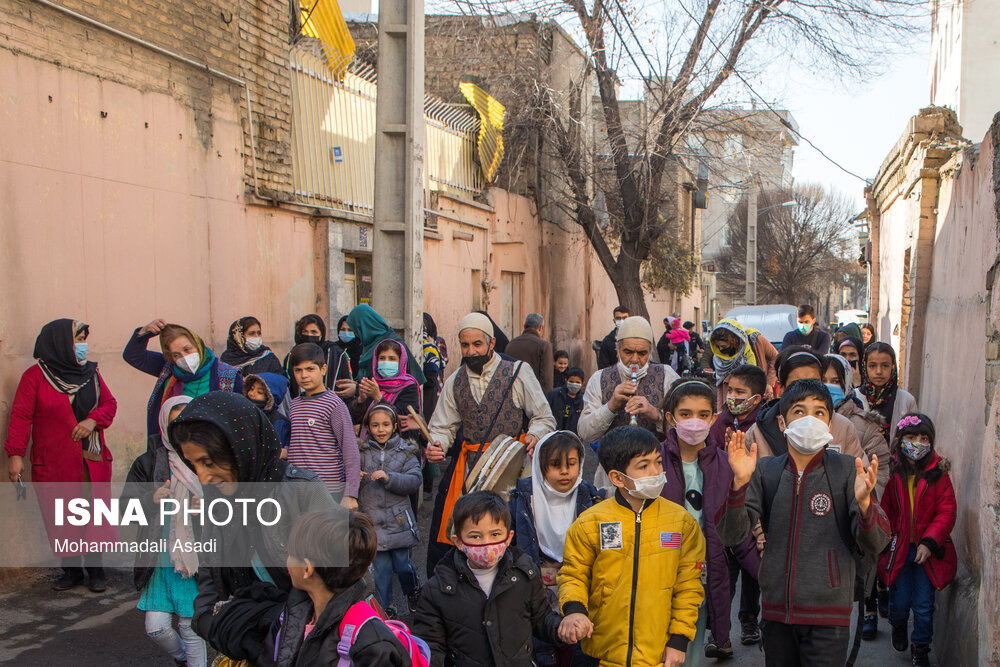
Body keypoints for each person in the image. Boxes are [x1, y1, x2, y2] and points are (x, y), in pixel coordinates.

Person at [719, 379, 890, 666]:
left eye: (819, 412)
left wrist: (864, 505)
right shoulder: (766, 471)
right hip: (776, 613)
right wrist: (738, 484)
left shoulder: (848, 471)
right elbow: (731, 534)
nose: (809, 419)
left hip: (829, 615)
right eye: (799, 411)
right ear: (782, 423)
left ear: (830, 424)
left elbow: (875, 542)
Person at [168, 391, 340, 651]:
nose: (203, 478)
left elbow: (346, 580)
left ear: (241, 447)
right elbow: (210, 579)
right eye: (194, 465)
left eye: (209, 462)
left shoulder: (303, 491)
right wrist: (215, 628)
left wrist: (290, 633)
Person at [558, 426, 706, 666]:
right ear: (617, 478)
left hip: (657, 654)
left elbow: (689, 586)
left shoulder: (681, 522)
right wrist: (575, 610)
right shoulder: (590, 522)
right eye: (644, 466)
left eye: (658, 462)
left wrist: (678, 641)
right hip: (601, 653)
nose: (656, 471)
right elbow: (573, 574)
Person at [424, 312, 555, 575]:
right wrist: (436, 444)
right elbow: (441, 425)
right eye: (465, 345)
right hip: (471, 474)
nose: (471, 351)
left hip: (514, 470)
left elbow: (544, 416)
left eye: (477, 345)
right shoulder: (454, 381)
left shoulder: (519, 372)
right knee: (469, 533)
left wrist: (535, 433)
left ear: (491, 343)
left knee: (513, 532)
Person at [6, 319, 118, 592]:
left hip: (90, 460)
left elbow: (109, 404)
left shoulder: (91, 374)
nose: (83, 345)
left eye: (83, 339)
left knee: (92, 514)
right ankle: (71, 570)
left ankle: (96, 570)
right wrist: (15, 454)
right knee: (62, 515)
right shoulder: (35, 377)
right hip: (54, 461)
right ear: (60, 343)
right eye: (78, 339)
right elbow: (21, 416)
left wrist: (93, 420)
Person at [660, 379, 761, 661]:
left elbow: (738, 533)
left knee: (688, 651)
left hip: (703, 575)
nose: (694, 422)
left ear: (713, 418)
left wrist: (767, 575)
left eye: (703, 415)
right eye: (685, 414)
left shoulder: (726, 465)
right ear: (671, 418)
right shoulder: (654, 462)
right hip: (660, 573)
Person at [413, 491, 567, 667]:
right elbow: (430, 646)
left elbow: (541, 618)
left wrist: (561, 629)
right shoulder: (438, 589)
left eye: (495, 534)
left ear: (508, 537)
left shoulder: (525, 573)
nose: (486, 544)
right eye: (475, 536)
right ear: (458, 541)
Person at [262, 511, 411, 667]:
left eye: (291, 554)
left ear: (307, 569)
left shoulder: (372, 644)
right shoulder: (293, 612)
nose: (287, 561)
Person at [507, 431, 605, 666]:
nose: (565, 472)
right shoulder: (522, 500)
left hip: (582, 596)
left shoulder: (591, 499)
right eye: (554, 465)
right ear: (540, 467)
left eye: (571, 464)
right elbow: (510, 548)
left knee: (579, 649)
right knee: (543, 649)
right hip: (535, 598)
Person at [124, 396, 207, 667]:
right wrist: (150, 499)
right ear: (164, 425)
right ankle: (184, 659)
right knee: (156, 628)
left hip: (194, 557)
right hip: (158, 559)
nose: (181, 431)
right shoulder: (147, 463)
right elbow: (125, 510)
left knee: (189, 627)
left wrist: (206, 506)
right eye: (175, 424)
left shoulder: (209, 460)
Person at [878, 414, 957, 667]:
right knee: (899, 602)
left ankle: (920, 647)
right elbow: (885, 511)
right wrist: (884, 540)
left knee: (924, 605)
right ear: (900, 440)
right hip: (899, 549)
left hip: (928, 552)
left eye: (924, 438)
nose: (918, 443)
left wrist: (930, 542)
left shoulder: (939, 475)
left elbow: (947, 511)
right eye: (911, 437)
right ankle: (898, 624)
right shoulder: (892, 476)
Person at [706, 364, 767, 646]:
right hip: (724, 507)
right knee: (724, 572)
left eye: (740, 392)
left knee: (753, 571)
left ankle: (749, 620)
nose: (732, 396)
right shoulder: (720, 423)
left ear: (756, 398)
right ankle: (720, 633)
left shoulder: (762, 423)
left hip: (752, 505)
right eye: (730, 390)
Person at [124, 319, 243, 439]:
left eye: (187, 349)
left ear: (198, 344)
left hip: (214, 444)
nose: (184, 357)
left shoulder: (228, 375)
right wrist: (145, 332)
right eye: (176, 355)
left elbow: (243, 415)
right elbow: (133, 356)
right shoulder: (169, 370)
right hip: (174, 442)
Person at [745, 347, 868, 463]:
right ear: (781, 388)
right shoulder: (758, 433)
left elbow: (858, 475)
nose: (807, 391)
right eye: (797, 384)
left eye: (814, 383)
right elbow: (747, 481)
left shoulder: (843, 428)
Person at [357, 403, 422, 617]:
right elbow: (348, 476)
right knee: (381, 573)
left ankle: (412, 589)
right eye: (375, 425)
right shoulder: (361, 453)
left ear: (395, 426)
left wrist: (390, 478)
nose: (381, 429)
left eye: (385, 424)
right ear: (368, 427)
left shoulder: (405, 451)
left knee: (403, 565)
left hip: (399, 522)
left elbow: (414, 480)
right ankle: (386, 609)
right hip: (373, 522)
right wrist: (354, 478)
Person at [578, 316, 680, 448]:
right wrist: (611, 406)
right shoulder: (599, 378)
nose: (635, 359)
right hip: (612, 465)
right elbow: (585, 433)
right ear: (618, 349)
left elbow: (683, 431)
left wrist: (655, 414)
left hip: (657, 465)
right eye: (628, 352)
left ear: (650, 352)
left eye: (642, 353)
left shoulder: (668, 375)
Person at [286, 343, 360, 508]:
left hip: (328, 488)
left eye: (310, 369)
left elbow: (350, 449)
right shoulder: (294, 404)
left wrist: (350, 493)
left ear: (323, 369)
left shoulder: (333, 405)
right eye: (298, 370)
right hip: (297, 487)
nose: (304, 375)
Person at [829, 354, 890, 498]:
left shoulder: (865, 425)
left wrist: (864, 501)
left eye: (835, 381)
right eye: (823, 380)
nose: (828, 386)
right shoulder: (805, 421)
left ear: (847, 383)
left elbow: (880, 471)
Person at [351, 338, 421, 440]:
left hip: (401, 448)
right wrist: (360, 400)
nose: (386, 362)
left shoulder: (409, 387)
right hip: (371, 448)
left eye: (392, 359)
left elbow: (402, 420)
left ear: (401, 361)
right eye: (382, 358)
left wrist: (379, 398)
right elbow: (359, 421)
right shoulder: (373, 384)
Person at [701, 318, 778, 410]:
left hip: (760, 395)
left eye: (724, 346)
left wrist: (769, 383)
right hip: (735, 402)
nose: (721, 349)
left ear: (734, 341)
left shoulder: (755, 340)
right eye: (718, 346)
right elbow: (720, 386)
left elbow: (776, 357)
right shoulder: (719, 358)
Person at [850, 342, 918, 444]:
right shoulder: (853, 398)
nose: (879, 371)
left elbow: (913, 436)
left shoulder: (906, 400)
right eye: (872, 366)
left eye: (885, 366)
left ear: (893, 367)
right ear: (864, 367)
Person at [347, 304, 427, 385]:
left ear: (364, 327)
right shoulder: (369, 346)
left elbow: (397, 384)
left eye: (357, 330)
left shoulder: (392, 344)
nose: (356, 334)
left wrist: (357, 389)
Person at [283, 314, 356, 400]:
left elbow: (346, 381)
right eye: (305, 332)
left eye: (314, 332)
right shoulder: (292, 356)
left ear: (321, 334)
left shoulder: (336, 354)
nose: (309, 335)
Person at [506, 313, 555, 393]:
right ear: (540, 327)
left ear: (525, 326)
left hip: (513, 395)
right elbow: (547, 379)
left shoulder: (511, 344)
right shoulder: (543, 346)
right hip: (533, 396)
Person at [220, 316, 284, 377]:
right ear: (238, 337)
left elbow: (280, 381)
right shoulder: (226, 360)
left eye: (259, 333)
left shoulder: (268, 357)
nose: (256, 336)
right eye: (251, 333)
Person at [243, 372, 291, 451]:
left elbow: (275, 452)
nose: (251, 393)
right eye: (251, 389)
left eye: (260, 392)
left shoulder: (279, 422)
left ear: (270, 397)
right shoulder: (243, 414)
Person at [546, 367, 585, 433]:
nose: (574, 384)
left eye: (577, 382)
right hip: (553, 434)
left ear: (583, 383)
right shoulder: (554, 395)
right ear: (566, 380)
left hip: (572, 437)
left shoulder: (583, 401)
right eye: (571, 381)